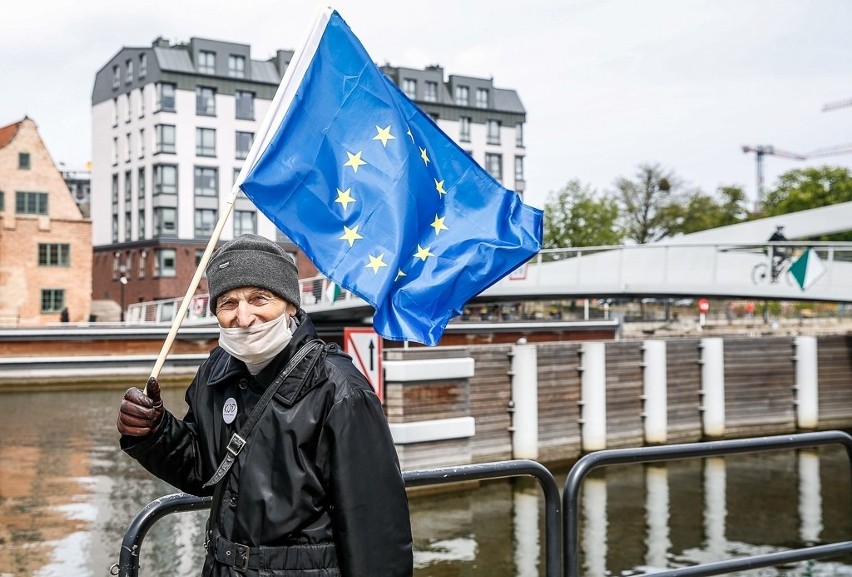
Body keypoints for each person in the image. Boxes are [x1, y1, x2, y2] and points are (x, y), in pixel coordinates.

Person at [117, 234, 413, 577]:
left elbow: (376, 530)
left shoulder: (338, 389)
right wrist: (154, 431)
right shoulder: (215, 371)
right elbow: (205, 469)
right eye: (228, 303)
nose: (244, 317)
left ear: (290, 305)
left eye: (260, 298)